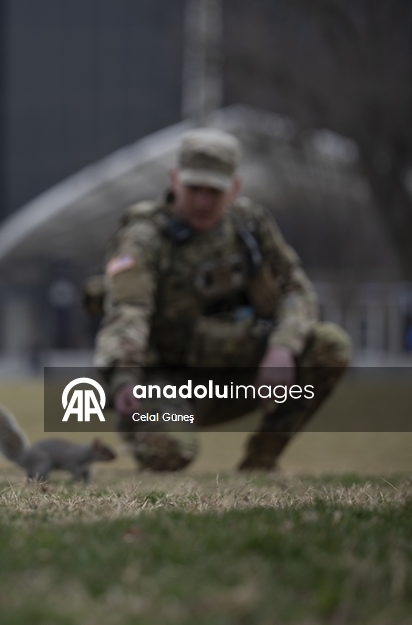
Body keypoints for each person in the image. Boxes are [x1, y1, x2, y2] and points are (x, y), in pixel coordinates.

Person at [93, 128, 351, 471]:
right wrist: (125, 377)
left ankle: (261, 462)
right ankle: (146, 431)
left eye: (213, 191)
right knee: (169, 452)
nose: (202, 201)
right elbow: (128, 310)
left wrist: (282, 348)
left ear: (234, 188)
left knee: (329, 345)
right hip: (165, 385)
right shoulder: (144, 238)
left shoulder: (251, 227)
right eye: (193, 189)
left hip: (242, 376)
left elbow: (296, 290)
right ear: (174, 180)